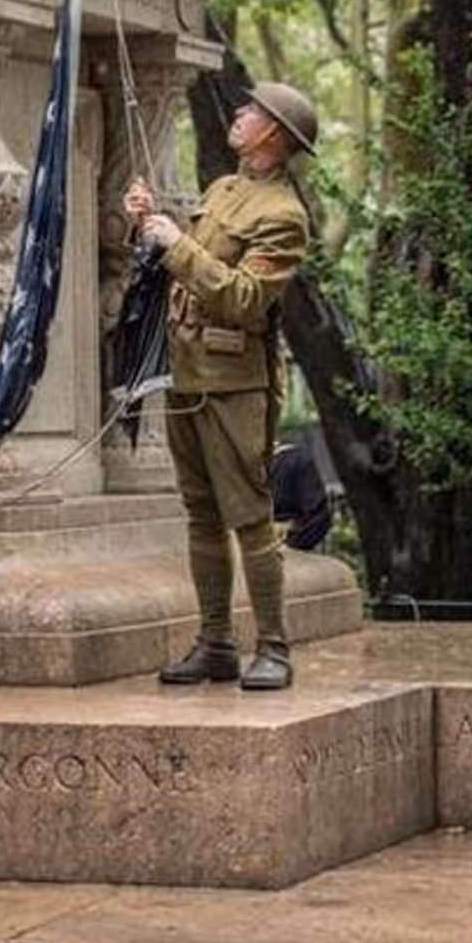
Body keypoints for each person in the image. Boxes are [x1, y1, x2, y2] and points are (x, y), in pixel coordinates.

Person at [124, 82, 317, 690]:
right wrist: (148, 226)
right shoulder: (223, 190)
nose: (239, 114)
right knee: (200, 513)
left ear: (277, 136)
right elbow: (183, 271)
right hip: (184, 373)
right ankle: (215, 644)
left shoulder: (283, 215)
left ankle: (275, 649)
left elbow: (245, 300)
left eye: (252, 111)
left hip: (236, 384)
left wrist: (176, 243)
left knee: (250, 517)